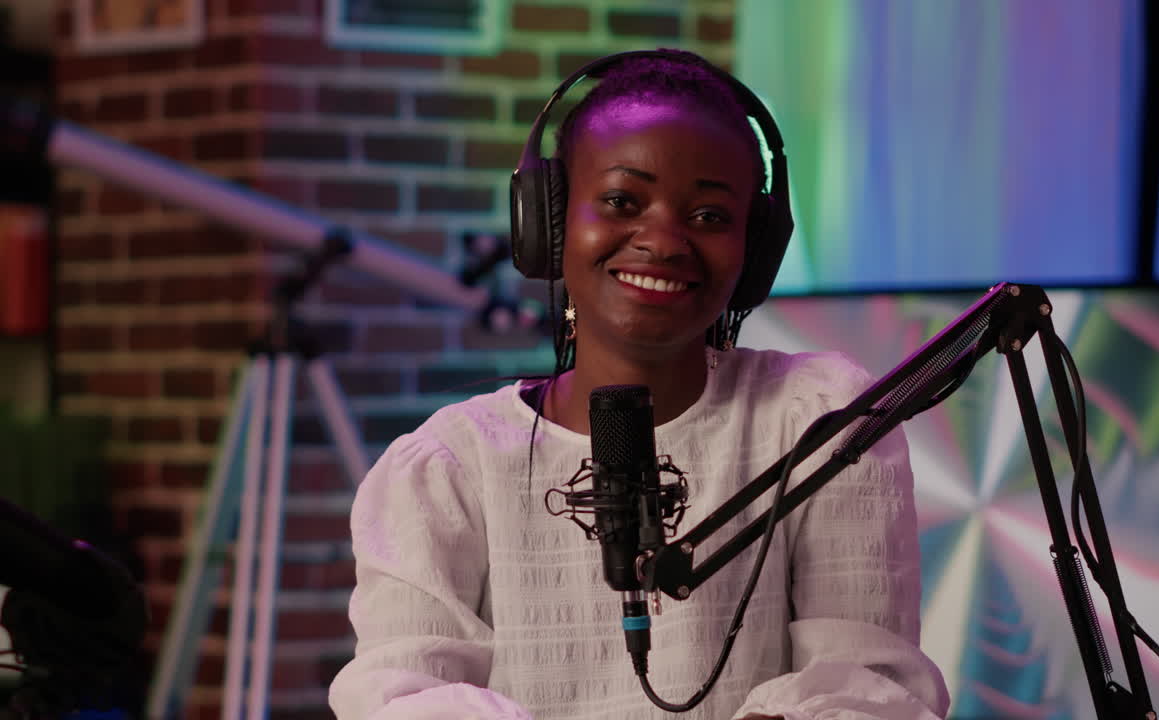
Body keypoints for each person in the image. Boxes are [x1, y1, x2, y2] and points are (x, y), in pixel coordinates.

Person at [329, 49, 949, 720]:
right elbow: (401, 699)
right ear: (550, 221)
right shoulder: (451, 469)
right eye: (624, 200)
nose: (664, 240)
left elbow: (865, 687)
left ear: (756, 249)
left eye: (709, 216)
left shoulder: (818, 423)